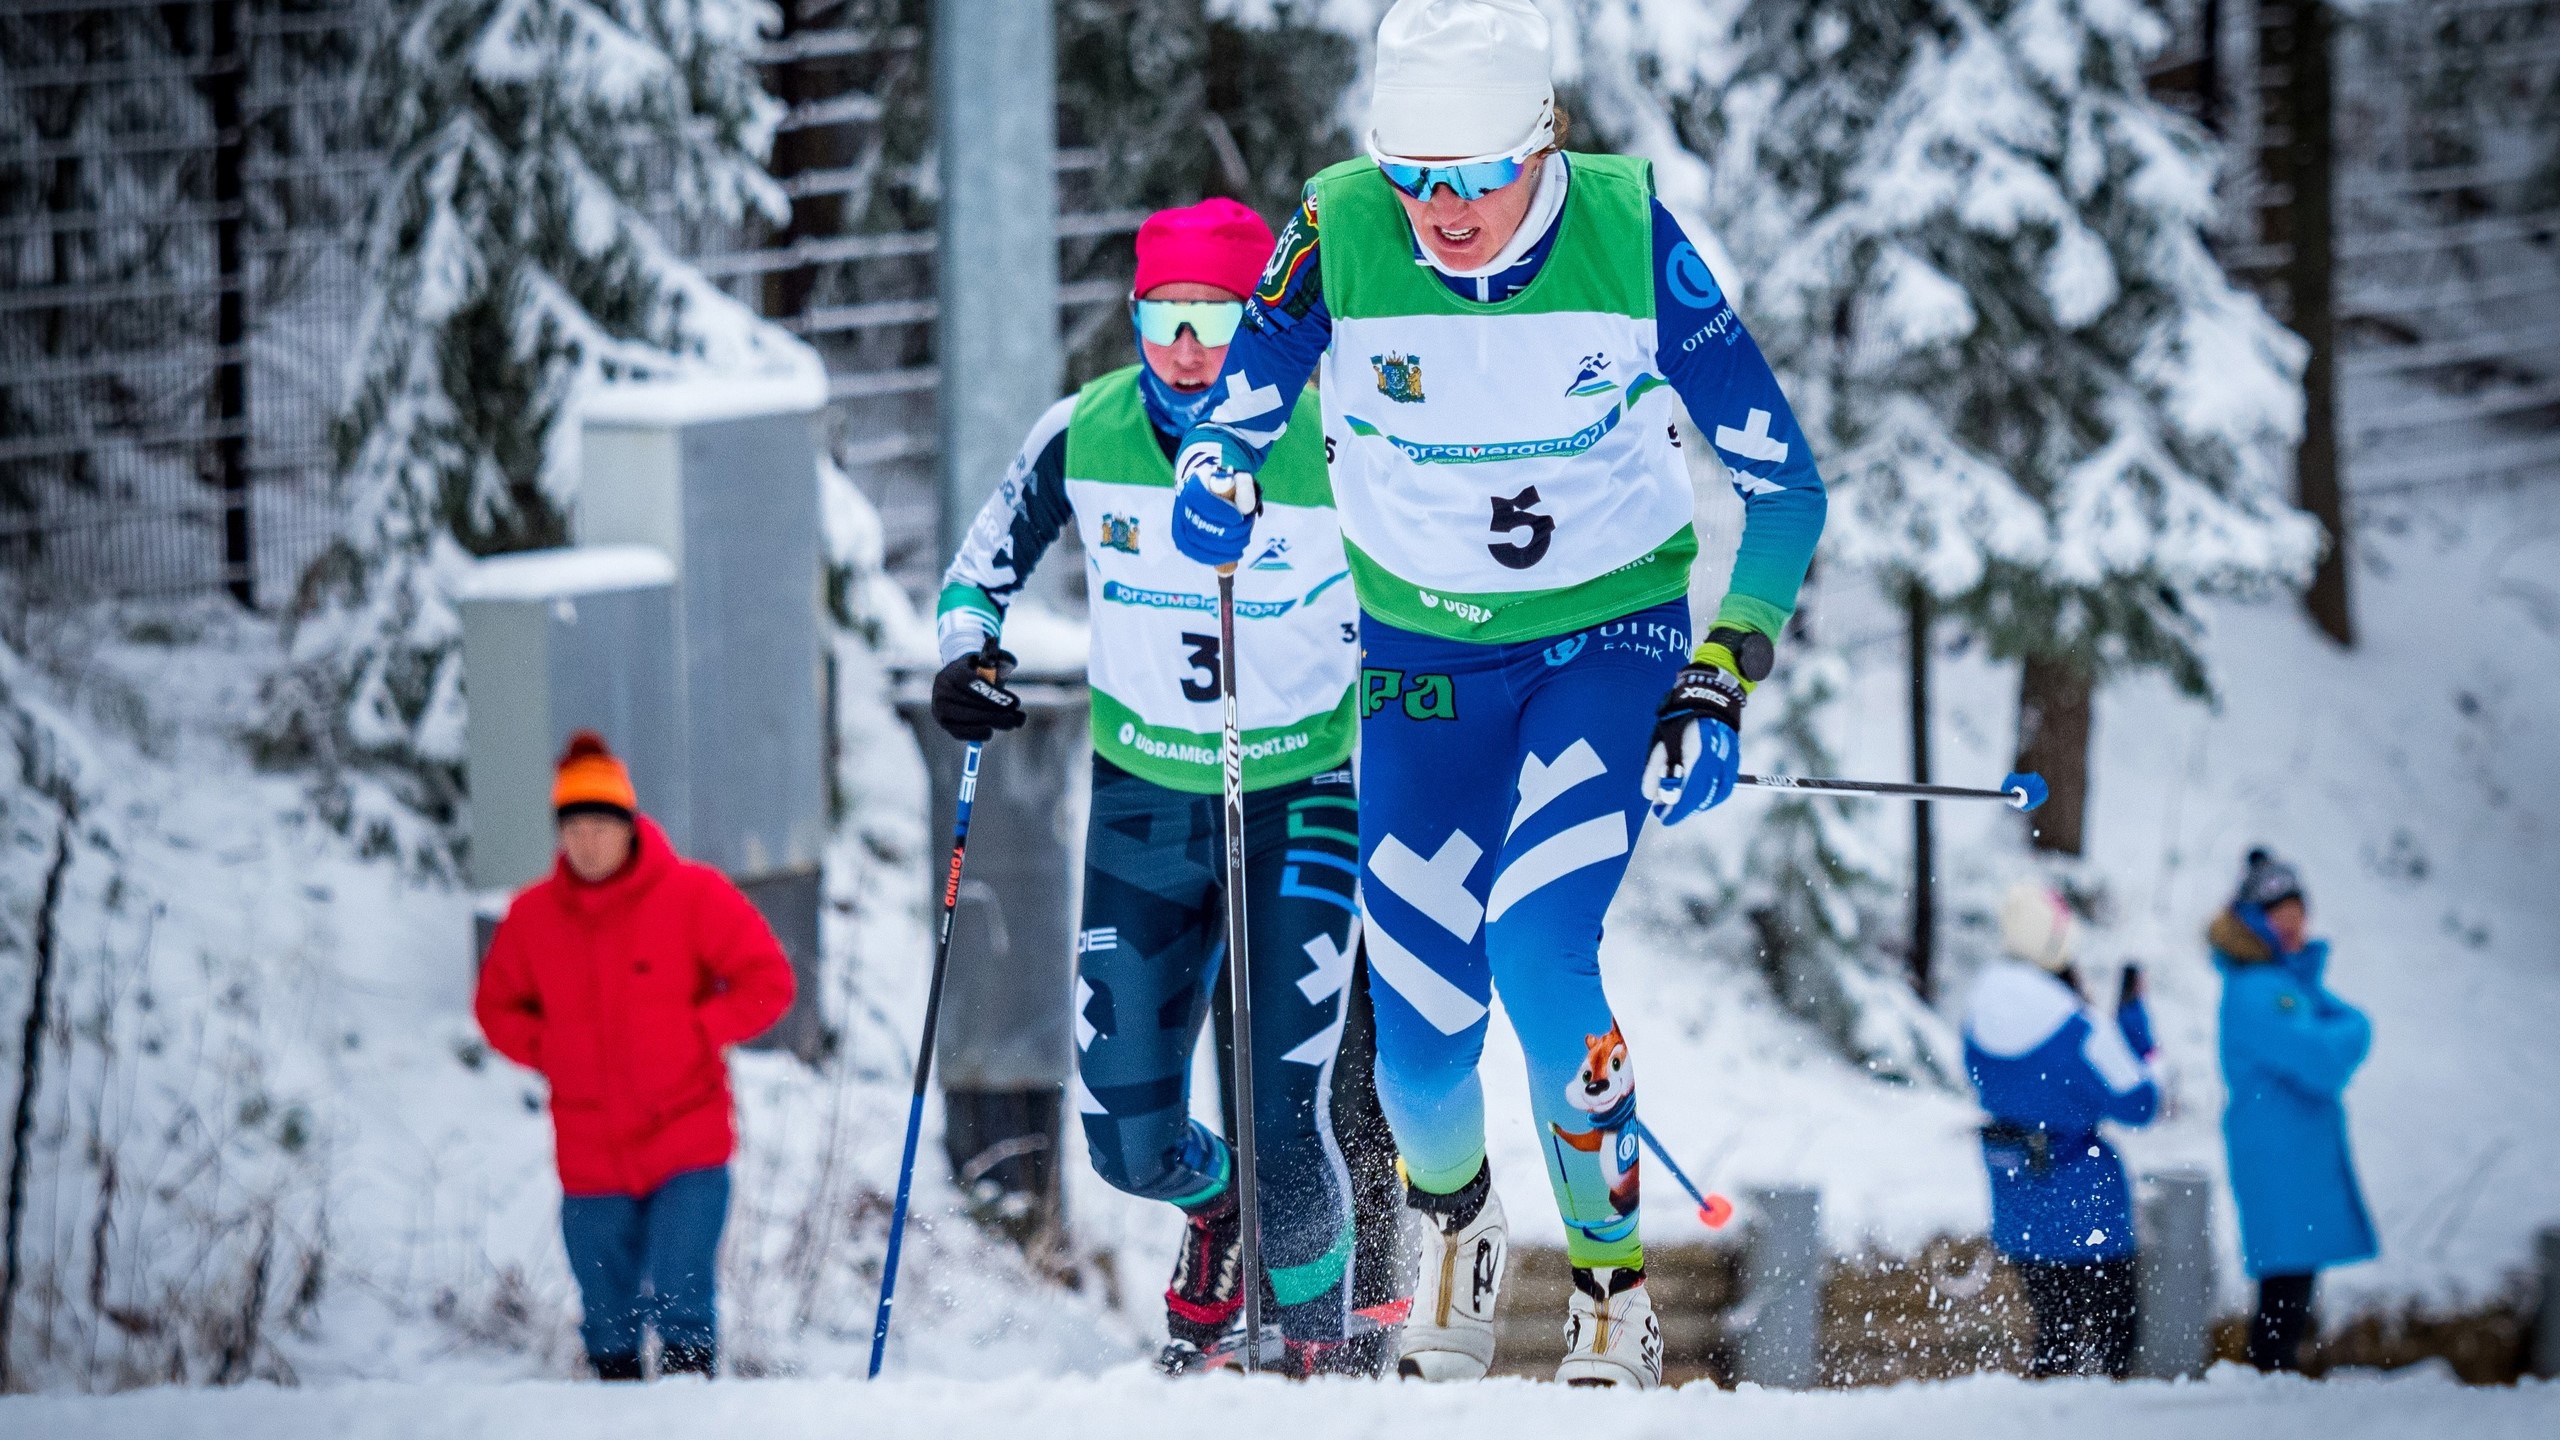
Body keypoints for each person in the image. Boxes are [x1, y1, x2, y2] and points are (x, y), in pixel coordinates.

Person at [1165, 0, 1827, 1388]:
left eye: (1472, 177)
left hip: (1607, 645)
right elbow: (1244, 399)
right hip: (1421, 668)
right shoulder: (1340, 225)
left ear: (1544, 143)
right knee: (1415, 1035)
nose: (1441, 210)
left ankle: (1607, 1292)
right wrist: (1216, 474)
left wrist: (1724, 669)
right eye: (1416, 174)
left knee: (1539, 946)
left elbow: (1783, 487)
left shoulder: (1626, 233)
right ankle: (1460, 1225)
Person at [930, 198, 1390, 1377]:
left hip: (1301, 798)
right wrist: (964, 656)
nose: (1189, 347)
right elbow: (977, 575)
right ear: (1135, 318)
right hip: (1144, 804)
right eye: (1165, 316)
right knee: (1127, 1137)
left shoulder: (1338, 437)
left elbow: (1436, 596)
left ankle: (1317, 1366)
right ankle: (1216, 1213)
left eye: (1219, 318)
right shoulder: (1084, 430)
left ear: (1259, 325)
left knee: (1286, 1112)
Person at [474, 732, 796, 1380]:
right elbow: (496, 1008)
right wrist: (549, 1049)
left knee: (684, 1300)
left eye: (600, 825)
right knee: (607, 1314)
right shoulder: (532, 917)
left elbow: (770, 981)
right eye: (574, 827)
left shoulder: (693, 896)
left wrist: (698, 1028)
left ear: (629, 826)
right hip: (590, 1152)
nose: (588, 841)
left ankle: (689, 1416)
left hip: (688, 1138)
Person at [1963, 881, 2160, 1379]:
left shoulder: (1979, 1009)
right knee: (2115, 1347)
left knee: (2054, 1339)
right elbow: (2140, 1102)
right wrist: (2135, 1028)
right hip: (2088, 1209)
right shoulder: (2077, 1025)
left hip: (2018, 1197)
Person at [2211, 848, 2375, 1373]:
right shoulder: (2259, 990)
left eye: (2299, 913)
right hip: (2280, 1156)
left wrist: (2306, 978)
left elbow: (2330, 1025)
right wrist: (2354, 1029)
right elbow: (2326, 1054)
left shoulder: (2282, 985)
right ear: (2257, 920)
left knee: (2291, 1291)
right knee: (2282, 1296)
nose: (2296, 925)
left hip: (2291, 1155)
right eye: (2283, 915)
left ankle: (2273, 1394)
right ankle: (2266, 1397)